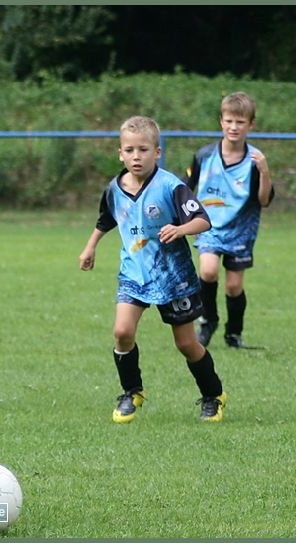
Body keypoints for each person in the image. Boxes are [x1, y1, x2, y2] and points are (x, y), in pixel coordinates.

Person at [78, 116, 227, 424]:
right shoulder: (114, 189)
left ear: (157, 152)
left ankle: (213, 395)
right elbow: (107, 219)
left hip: (174, 278)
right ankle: (131, 392)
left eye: (143, 150)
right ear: (120, 153)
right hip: (134, 274)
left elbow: (202, 221)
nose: (136, 156)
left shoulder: (171, 186)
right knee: (122, 332)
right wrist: (90, 246)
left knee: (186, 344)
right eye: (129, 150)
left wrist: (180, 229)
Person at [184, 91, 274, 349]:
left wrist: (265, 172)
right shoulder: (204, 156)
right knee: (208, 270)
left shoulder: (256, 160)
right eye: (229, 121)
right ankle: (208, 321)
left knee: (234, 286)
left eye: (240, 122)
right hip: (209, 225)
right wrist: (187, 221)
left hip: (241, 230)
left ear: (251, 125)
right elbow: (186, 189)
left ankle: (233, 334)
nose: (234, 127)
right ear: (221, 121)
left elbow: (265, 200)